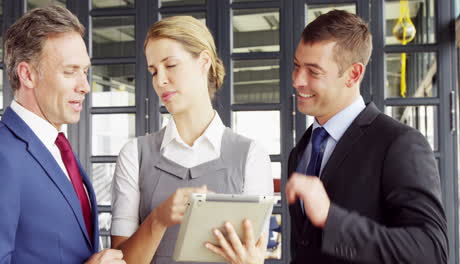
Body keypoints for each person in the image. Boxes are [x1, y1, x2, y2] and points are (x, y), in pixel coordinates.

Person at [206, 10, 448, 264]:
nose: (297, 80)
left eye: (314, 71)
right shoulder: (300, 152)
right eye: (297, 66)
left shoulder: (399, 144)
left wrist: (331, 218)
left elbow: (431, 252)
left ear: (353, 74)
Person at [110, 15, 273, 264]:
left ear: (203, 61)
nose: (160, 80)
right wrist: (158, 219)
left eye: (171, 65)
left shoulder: (251, 156)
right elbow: (118, 261)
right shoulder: (134, 154)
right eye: (154, 71)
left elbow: (255, 256)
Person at [0, 5, 125, 264]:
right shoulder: (4, 154)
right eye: (70, 72)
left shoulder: (57, 147)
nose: (85, 87)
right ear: (27, 75)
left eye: (85, 72)